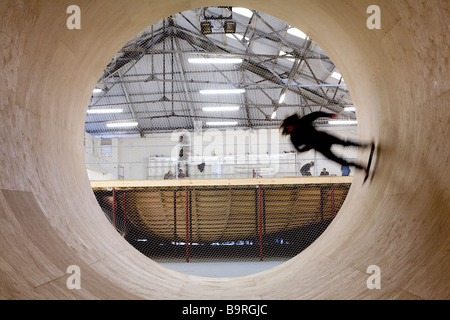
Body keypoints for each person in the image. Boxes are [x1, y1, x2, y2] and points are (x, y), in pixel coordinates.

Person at [281, 111, 372, 173]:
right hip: (319, 147)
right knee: (338, 160)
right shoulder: (293, 138)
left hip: (323, 137)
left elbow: (316, 114)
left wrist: (328, 115)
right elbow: (298, 150)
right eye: (288, 129)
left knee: (344, 143)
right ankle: (362, 167)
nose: (289, 130)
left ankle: (366, 146)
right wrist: (307, 148)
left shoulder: (303, 121)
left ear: (292, 123)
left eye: (289, 127)